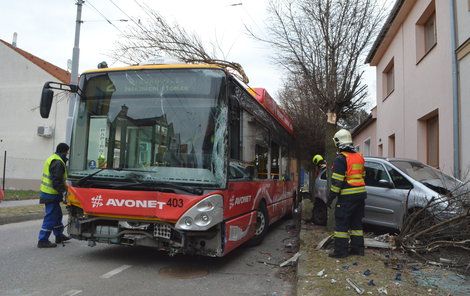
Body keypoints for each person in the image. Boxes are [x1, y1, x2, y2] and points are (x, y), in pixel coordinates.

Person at [327, 129, 367, 258]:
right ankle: (357, 249)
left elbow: (337, 183)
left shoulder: (341, 159)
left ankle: (340, 252)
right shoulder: (359, 157)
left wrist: (330, 197)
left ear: (338, 142)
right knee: (356, 223)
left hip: (347, 196)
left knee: (341, 223)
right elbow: (363, 175)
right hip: (360, 195)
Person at [37, 143, 71, 248]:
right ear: (64, 151)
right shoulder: (58, 162)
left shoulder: (54, 159)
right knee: (51, 217)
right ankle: (42, 240)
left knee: (57, 215)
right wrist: (64, 192)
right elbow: (56, 181)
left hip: (51, 194)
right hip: (50, 194)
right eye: (67, 152)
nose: (67, 154)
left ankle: (59, 235)